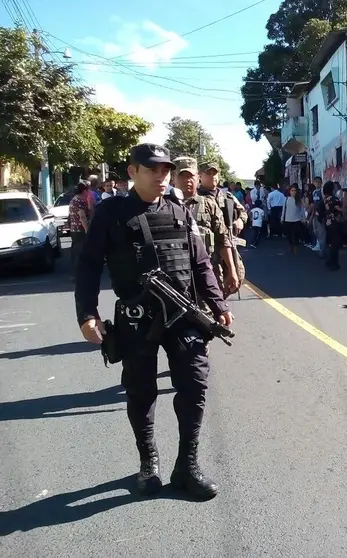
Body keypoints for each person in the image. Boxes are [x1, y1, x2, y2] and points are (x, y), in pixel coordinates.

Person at [75, 143, 232, 500]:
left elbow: (201, 263)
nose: (161, 176)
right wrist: (87, 313)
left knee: (195, 386)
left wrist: (217, 302)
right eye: (152, 170)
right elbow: (86, 266)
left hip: (183, 316)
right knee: (141, 391)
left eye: (165, 170)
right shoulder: (111, 213)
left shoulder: (179, 211)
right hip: (136, 318)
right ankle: (149, 462)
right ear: (132, 172)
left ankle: (187, 465)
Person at [173, 157, 239, 296]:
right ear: (173, 178)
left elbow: (223, 239)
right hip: (175, 279)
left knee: (214, 315)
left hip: (208, 274)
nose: (188, 180)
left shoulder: (209, 204)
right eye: (182, 176)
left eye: (191, 176)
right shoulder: (164, 206)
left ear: (197, 177)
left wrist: (232, 270)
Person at [197, 162, 247, 296]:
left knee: (235, 279)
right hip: (206, 250)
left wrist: (240, 221)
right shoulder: (196, 198)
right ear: (200, 176)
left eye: (215, 173)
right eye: (208, 173)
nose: (212, 176)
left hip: (227, 246)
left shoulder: (227, 197)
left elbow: (243, 212)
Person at [68, 180, 91, 280]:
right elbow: (82, 217)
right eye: (88, 190)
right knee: (80, 253)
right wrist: (87, 231)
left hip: (74, 230)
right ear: (84, 190)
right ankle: (78, 275)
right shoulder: (79, 201)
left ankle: (76, 274)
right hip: (80, 230)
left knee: (77, 252)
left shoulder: (74, 199)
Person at [321, 181, 343, 270]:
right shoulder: (334, 199)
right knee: (335, 244)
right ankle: (333, 263)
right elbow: (339, 209)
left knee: (331, 243)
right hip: (335, 222)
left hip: (328, 222)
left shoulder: (325, 199)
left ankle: (331, 261)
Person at [282, 183, 304, 255]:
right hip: (288, 219)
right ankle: (291, 244)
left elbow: (302, 210)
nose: (293, 192)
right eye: (292, 190)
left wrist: (303, 218)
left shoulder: (298, 200)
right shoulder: (286, 199)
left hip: (297, 219)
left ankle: (295, 246)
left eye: (294, 190)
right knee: (289, 234)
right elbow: (283, 209)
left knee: (296, 234)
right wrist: (282, 218)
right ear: (290, 191)